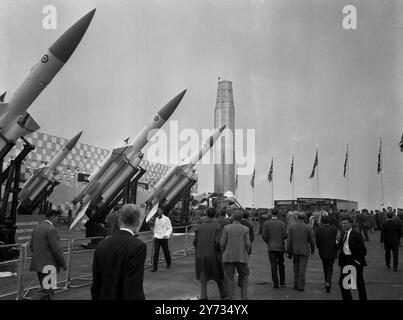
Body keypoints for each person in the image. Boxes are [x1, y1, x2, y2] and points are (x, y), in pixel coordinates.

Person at [91, 204, 146, 300]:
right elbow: (133, 286)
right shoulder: (138, 246)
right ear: (137, 222)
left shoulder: (101, 245)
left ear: (119, 221)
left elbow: (96, 284)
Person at [29, 209, 67, 300]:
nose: (59, 220)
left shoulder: (37, 228)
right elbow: (56, 250)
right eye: (58, 218)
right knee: (47, 290)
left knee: (46, 289)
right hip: (49, 265)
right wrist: (64, 264)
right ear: (53, 217)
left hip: (38, 264)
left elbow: (31, 246)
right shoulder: (51, 229)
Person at [193, 208, 226, 300]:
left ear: (206, 214)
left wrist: (199, 248)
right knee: (219, 274)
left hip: (200, 255)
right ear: (215, 214)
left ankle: (203, 296)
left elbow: (195, 241)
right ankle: (223, 294)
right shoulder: (217, 226)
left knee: (203, 276)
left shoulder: (199, 226)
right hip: (213, 255)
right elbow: (217, 242)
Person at [220, 210, 251, 300]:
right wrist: (246, 252)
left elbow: (222, 244)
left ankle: (231, 297)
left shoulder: (226, 228)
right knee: (244, 277)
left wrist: (224, 252)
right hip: (242, 256)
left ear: (232, 217)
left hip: (229, 256)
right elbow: (248, 245)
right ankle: (244, 297)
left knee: (229, 278)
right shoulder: (245, 229)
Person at [336, 215, 367, 300]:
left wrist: (357, 262)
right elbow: (338, 247)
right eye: (342, 223)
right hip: (345, 261)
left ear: (350, 224)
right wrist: (337, 241)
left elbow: (363, 250)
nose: (343, 225)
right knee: (343, 283)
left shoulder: (356, 234)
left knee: (359, 283)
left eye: (345, 223)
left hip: (354, 261)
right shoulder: (342, 234)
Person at [287, 212, 315, 291]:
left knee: (296, 267)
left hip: (295, 250)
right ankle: (300, 286)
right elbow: (311, 240)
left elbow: (289, 240)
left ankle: (295, 283)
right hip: (304, 250)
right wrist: (313, 249)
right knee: (302, 269)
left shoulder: (292, 227)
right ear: (305, 218)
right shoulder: (308, 227)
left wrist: (289, 251)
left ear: (297, 218)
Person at [261, 208, 287, 288]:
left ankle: (275, 282)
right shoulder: (282, 224)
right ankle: (282, 281)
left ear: (271, 214)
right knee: (281, 264)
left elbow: (264, 236)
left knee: (273, 265)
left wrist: (268, 242)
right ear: (278, 214)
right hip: (280, 247)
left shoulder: (266, 223)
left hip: (271, 247)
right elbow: (285, 236)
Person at [315, 215, 338, 292]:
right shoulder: (334, 229)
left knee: (325, 267)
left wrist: (320, 248)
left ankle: (327, 281)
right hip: (332, 251)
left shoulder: (319, 230)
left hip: (323, 252)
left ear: (322, 221)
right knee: (330, 268)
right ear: (329, 221)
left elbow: (317, 242)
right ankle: (328, 282)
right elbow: (337, 239)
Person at [151, 207, 172, 272]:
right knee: (156, 252)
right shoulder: (156, 219)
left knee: (166, 252)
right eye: (157, 211)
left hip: (164, 238)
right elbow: (156, 228)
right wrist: (154, 235)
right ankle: (155, 267)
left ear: (162, 211)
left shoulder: (166, 219)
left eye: (159, 210)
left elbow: (170, 228)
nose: (158, 212)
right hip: (157, 238)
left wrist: (167, 235)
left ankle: (168, 263)